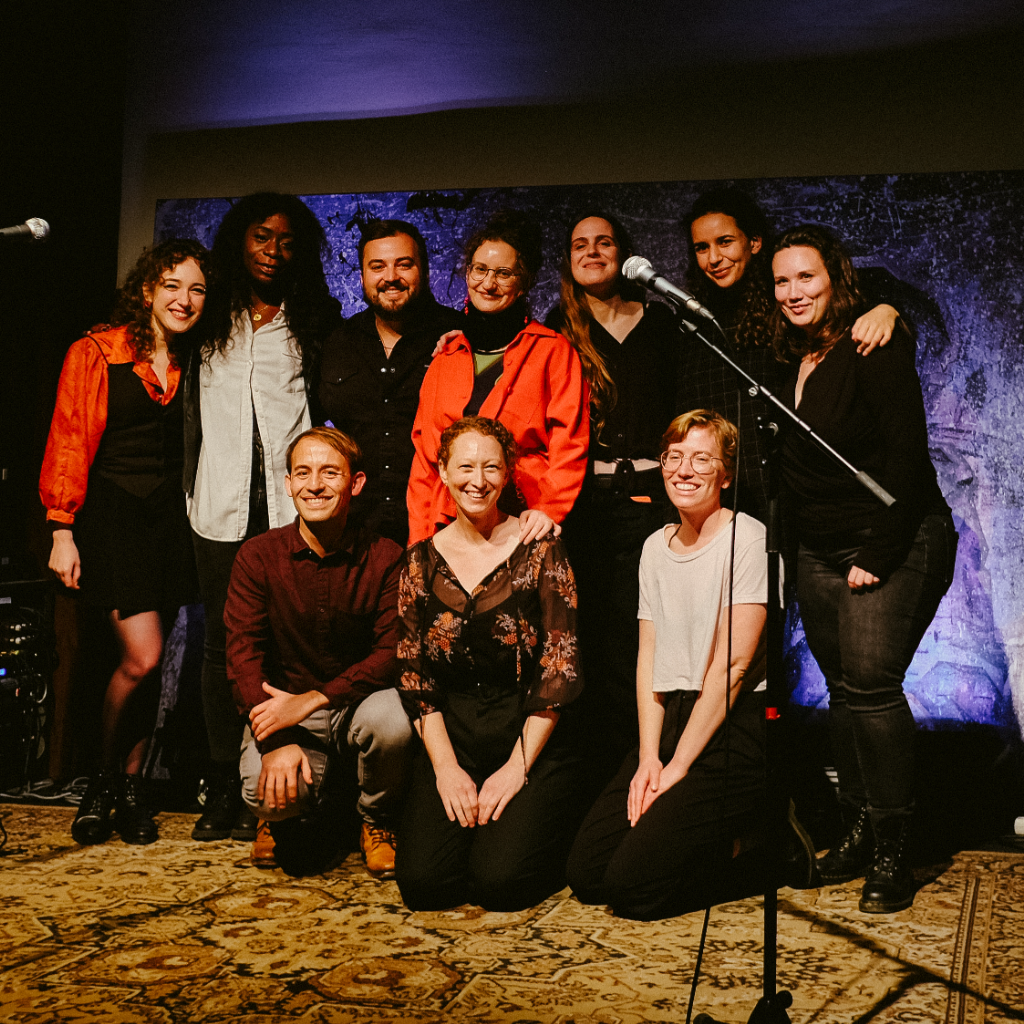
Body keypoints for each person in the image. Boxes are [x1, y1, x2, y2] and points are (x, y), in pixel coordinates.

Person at [772, 225, 957, 913]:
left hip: (895, 538)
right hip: (818, 549)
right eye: (783, 281)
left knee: (873, 686)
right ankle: (856, 825)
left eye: (807, 279)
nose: (794, 293)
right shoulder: (786, 355)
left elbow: (908, 461)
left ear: (836, 281)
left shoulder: (872, 346)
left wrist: (876, 557)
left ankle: (892, 849)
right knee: (845, 691)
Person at [567, 410, 769, 920]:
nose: (684, 469)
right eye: (673, 457)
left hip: (729, 727)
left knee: (632, 888)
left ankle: (766, 857)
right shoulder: (655, 547)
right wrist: (649, 759)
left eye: (702, 458)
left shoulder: (746, 537)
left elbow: (734, 666)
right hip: (671, 718)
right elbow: (649, 657)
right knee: (588, 875)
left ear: (726, 473)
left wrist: (678, 767)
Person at [184, 192, 342, 843]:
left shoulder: (314, 318)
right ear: (237, 242)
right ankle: (225, 781)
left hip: (288, 510)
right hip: (217, 507)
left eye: (285, 240)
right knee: (222, 646)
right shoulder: (209, 315)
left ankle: (288, 776)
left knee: (289, 640)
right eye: (261, 237)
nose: (273, 251)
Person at [41, 238, 209, 845]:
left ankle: (132, 787)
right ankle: (101, 779)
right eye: (172, 286)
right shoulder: (98, 352)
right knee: (140, 657)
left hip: (169, 523)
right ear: (147, 290)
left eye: (196, 289)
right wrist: (62, 529)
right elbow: (68, 439)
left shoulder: (196, 360)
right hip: (113, 517)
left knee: (152, 662)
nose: (184, 300)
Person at [396, 416, 587, 911]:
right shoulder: (419, 561)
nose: (476, 480)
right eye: (464, 467)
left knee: (500, 884)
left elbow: (558, 668)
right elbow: (415, 677)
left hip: (528, 731)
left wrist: (514, 770)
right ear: (442, 471)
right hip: (453, 734)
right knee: (425, 886)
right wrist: (445, 770)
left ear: (507, 475)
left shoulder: (539, 548)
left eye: (490, 467)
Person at [225, 427, 411, 877]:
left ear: (356, 483)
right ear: (287, 484)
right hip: (284, 709)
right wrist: (276, 739)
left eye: (330, 473)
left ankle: (375, 820)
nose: (315, 485)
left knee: (395, 720)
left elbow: (392, 652)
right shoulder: (257, 557)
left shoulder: (386, 556)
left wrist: (316, 698)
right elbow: (242, 657)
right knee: (262, 791)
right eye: (303, 473)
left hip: (355, 705)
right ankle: (275, 820)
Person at [546, 211, 681, 763]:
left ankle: (650, 755)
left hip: (656, 498)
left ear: (625, 254)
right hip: (587, 504)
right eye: (581, 244)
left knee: (650, 630)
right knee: (594, 634)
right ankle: (602, 766)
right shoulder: (557, 326)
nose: (593, 252)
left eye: (605, 242)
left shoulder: (663, 320)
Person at [681, 187, 899, 521]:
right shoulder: (692, 323)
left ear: (753, 242)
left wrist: (888, 307)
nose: (713, 258)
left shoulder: (786, 302)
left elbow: (859, 286)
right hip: (719, 498)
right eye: (701, 247)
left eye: (725, 242)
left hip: (787, 496)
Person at [406, 209, 589, 547]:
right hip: (449, 527)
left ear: (524, 283)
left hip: (525, 526)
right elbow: (425, 462)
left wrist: (549, 510)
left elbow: (570, 443)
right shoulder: (445, 357)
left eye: (504, 273)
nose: (488, 283)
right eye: (479, 269)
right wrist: (419, 541)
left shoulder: (552, 351)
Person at [318, 219, 463, 546]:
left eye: (404, 264)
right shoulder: (338, 343)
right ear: (362, 277)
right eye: (377, 266)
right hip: (355, 534)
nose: (390, 277)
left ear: (424, 271)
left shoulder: (459, 338)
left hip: (442, 529)